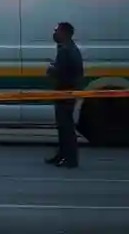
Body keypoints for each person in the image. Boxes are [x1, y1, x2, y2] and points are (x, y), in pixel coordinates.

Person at [46, 21, 84, 169]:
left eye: (57, 31)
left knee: (66, 127)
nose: (54, 33)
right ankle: (62, 155)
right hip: (66, 92)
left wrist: (51, 70)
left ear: (65, 33)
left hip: (65, 92)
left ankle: (70, 159)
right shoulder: (67, 48)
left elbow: (66, 72)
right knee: (63, 127)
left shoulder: (67, 50)